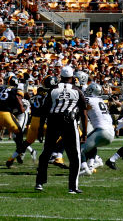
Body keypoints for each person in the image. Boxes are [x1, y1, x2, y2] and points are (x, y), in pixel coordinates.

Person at [35, 65, 88, 194]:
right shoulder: (77, 90)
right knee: (74, 155)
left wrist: (41, 128)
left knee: (46, 153)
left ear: (61, 77)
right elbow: (84, 113)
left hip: (53, 121)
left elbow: (44, 110)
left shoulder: (53, 90)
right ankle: (72, 187)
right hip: (69, 122)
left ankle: (39, 182)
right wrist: (85, 132)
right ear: (72, 77)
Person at [0, 74, 25, 165]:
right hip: (6, 114)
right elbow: (18, 100)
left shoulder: (1, 89)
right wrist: (21, 109)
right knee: (19, 134)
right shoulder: (16, 90)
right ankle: (16, 155)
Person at [79, 82, 115, 175]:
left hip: (101, 131)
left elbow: (79, 105)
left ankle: (84, 168)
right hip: (110, 132)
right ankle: (91, 165)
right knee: (91, 146)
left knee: (80, 148)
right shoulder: (100, 100)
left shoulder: (88, 99)